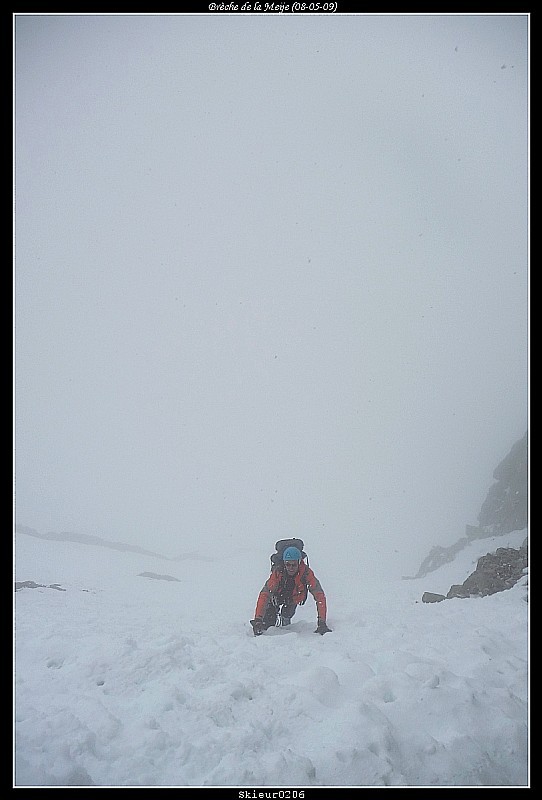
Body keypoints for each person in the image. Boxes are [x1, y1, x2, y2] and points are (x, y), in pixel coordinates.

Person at [250, 545, 332, 636]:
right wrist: (258, 619)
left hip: (293, 599)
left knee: (287, 614)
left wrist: (322, 622)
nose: (291, 568)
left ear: (299, 563)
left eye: (294, 565)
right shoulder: (278, 572)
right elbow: (264, 595)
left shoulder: (306, 573)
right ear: (284, 563)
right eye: (288, 564)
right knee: (268, 625)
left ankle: (286, 627)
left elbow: (319, 596)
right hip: (276, 598)